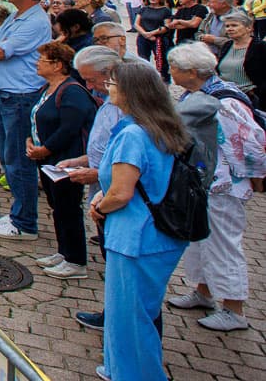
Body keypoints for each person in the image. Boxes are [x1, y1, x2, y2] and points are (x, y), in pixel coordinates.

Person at [90, 58, 194, 381]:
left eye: (114, 84)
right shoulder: (159, 125)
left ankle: (135, 374)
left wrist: (100, 207)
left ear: (131, 91)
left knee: (129, 319)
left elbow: (121, 193)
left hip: (136, 235)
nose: (108, 88)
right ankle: (119, 368)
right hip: (156, 234)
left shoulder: (133, 134)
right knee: (136, 313)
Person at [166, 43, 266, 332]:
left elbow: (250, 144)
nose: (171, 72)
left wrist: (246, 176)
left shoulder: (225, 101)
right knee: (199, 240)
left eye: (175, 68)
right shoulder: (199, 93)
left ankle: (234, 308)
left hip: (222, 186)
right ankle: (203, 292)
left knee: (223, 243)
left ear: (192, 72)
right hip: (202, 183)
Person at [0, 0, 51, 241]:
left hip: (21, 97)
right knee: (9, 157)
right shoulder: (14, 15)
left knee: (19, 160)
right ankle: (17, 214)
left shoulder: (35, 22)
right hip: (6, 95)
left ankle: (25, 223)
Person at [27, 41, 98, 279]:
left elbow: (69, 128)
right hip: (47, 157)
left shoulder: (72, 91)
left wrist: (45, 149)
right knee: (57, 207)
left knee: (68, 208)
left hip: (65, 159)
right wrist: (31, 140)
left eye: (42, 60)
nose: (37, 64)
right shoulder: (47, 88)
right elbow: (37, 115)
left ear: (58, 65)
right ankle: (63, 251)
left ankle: (76, 260)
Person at [214, 8, 265, 103]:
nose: (229, 29)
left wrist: (256, 92)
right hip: (227, 95)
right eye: (227, 26)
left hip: (251, 98)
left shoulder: (260, 47)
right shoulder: (227, 45)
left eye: (234, 25)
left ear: (249, 28)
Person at [135, 0, 173, 74]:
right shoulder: (143, 9)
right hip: (143, 38)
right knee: (142, 59)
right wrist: (145, 34)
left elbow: (166, 26)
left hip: (158, 38)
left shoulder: (165, 10)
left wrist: (152, 33)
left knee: (161, 60)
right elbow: (136, 24)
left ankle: (163, 79)